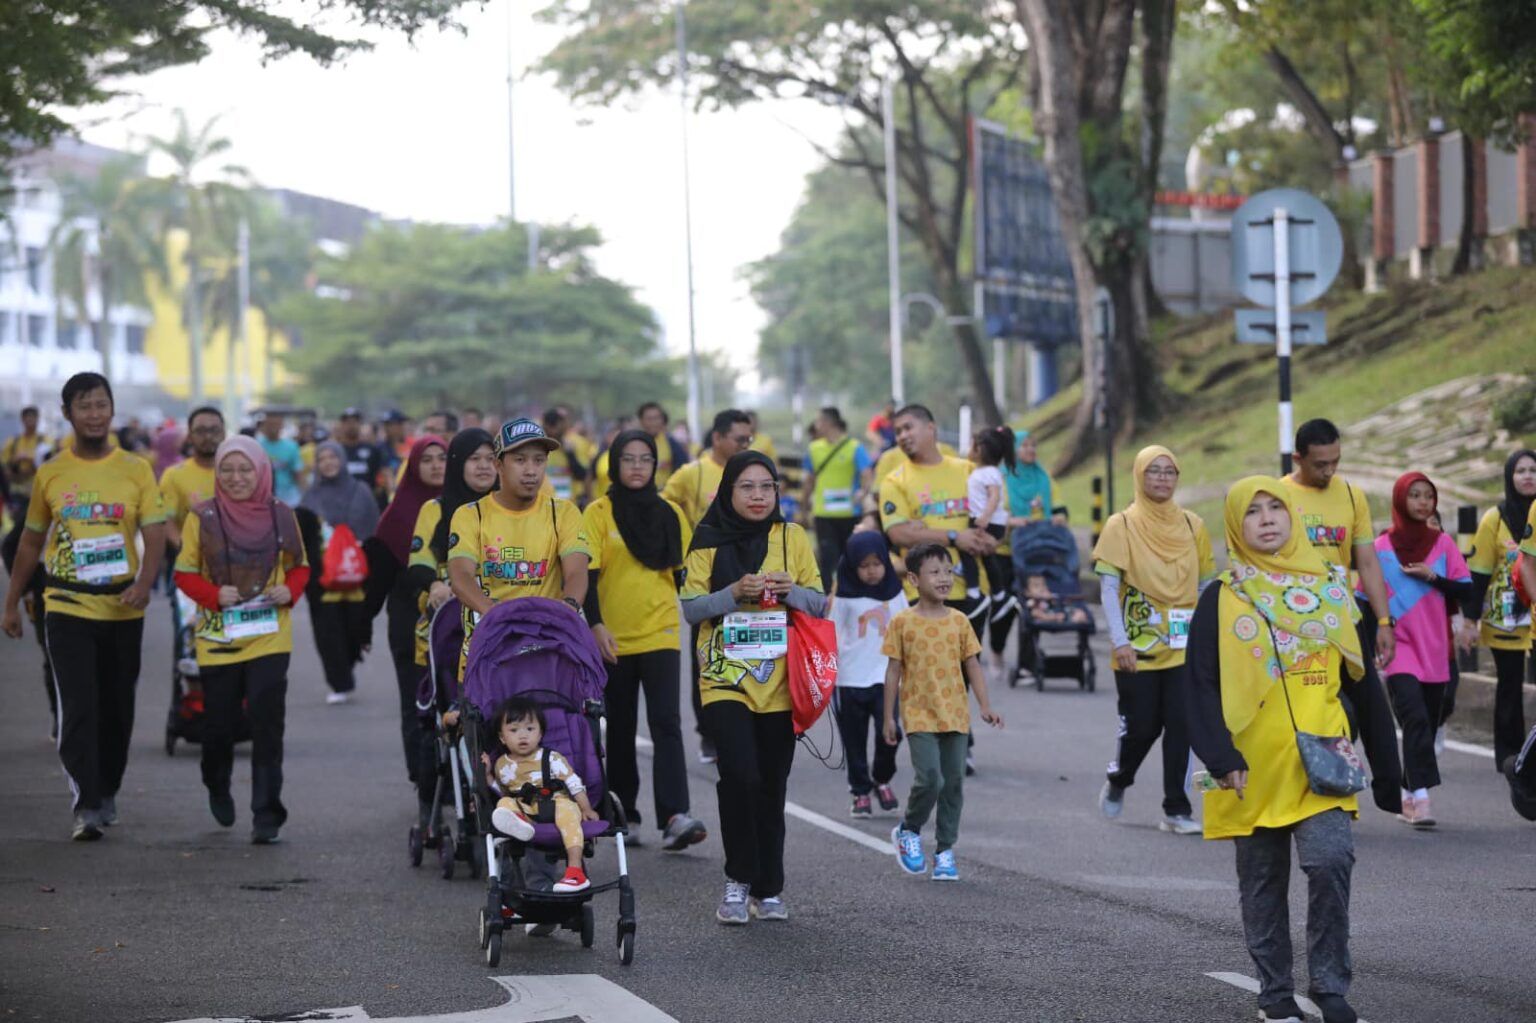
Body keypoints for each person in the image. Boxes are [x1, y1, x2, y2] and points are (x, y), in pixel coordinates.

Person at [1187, 476, 1402, 1023]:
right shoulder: (1219, 596)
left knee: (1331, 861)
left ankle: (1330, 985)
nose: (1266, 518)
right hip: (1249, 764)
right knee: (1262, 882)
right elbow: (1200, 686)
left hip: (1324, 758)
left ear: (1292, 516)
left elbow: (1362, 686)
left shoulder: (1330, 589)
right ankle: (1275, 992)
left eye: (1275, 508)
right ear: (1236, 523)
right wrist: (1222, 758)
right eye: (1252, 511)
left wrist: (1388, 770)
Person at [2, 373, 167, 840]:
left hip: (122, 605)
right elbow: (31, 541)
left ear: (112, 411)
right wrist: (12, 602)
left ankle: (107, 787)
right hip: (66, 603)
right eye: (84, 406)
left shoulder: (136, 468)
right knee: (77, 706)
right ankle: (86, 803)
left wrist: (144, 583)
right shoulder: (52, 471)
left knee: (117, 707)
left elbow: (154, 532)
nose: (94, 414)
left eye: (101, 405)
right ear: (68, 413)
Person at [680, 450, 824, 924]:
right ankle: (738, 883)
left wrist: (791, 593)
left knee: (771, 784)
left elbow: (820, 604)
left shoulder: (792, 537)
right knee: (740, 777)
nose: (759, 496)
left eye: (767, 487)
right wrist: (734, 594)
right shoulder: (706, 540)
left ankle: (770, 888)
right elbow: (693, 608)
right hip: (724, 680)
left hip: (781, 682)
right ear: (728, 490)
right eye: (747, 487)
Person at [173, 436, 307, 843]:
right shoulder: (203, 516)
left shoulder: (282, 514)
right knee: (219, 726)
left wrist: (291, 591)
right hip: (219, 638)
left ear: (262, 471)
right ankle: (216, 780)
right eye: (227, 470)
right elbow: (184, 573)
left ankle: (267, 814)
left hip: (269, 636)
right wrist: (214, 595)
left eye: (245, 469)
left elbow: (299, 566)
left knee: (267, 723)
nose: (236, 478)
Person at [583, 428, 706, 850]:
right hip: (612, 640)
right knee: (618, 727)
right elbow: (588, 577)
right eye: (629, 459)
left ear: (656, 465)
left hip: (661, 634)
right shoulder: (597, 513)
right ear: (615, 464)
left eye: (645, 460)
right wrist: (595, 625)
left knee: (667, 724)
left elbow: (688, 577)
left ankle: (675, 815)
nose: (637, 467)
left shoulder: (671, 513)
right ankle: (624, 813)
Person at [1092, 445, 1215, 834]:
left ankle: (1176, 809)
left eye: (1169, 471)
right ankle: (1119, 777)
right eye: (1153, 471)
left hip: (1184, 647)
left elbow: (1206, 583)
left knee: (1182, 725)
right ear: (1139, 476)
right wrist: (1120, 641)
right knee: (1142, 728)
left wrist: (1210, 636)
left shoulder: (1193, 525)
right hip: (1138, 648)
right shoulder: (1121, 526)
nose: (1162, 478)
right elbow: (1109, 590)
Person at [884, 543, 1004, 881]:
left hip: (955, 714)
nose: (943, 578)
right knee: (930, 779)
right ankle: (909, 829)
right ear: (913, 579)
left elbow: (973, 666)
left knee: (953, 783)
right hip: (919, 713)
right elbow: (893, 671)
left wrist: (985, 706)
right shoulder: (902, 622)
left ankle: (944, 850)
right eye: (934, 572)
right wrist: (888, 718)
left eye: (948, 571)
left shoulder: (960, 621)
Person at [1368, 472, 1470, 827]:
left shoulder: (1443, 544)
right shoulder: (1379, 549)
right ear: (1400, 500)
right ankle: (1421, 798)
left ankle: (1409, 788)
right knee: (1412, 715)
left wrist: (1433, 578)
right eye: (1414, 495)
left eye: (1428, 495)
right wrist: (1372, 640)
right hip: (1398, 647)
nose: (1423, 502)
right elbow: (1363, 597)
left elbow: (1466, 589)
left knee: (1426, 718)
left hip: (1435, 649)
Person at [447, 418, 589, 673]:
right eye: (520, 460)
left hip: (550, 655)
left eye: (539, 460)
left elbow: (577, 571)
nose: (531, 470)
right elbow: (461, 576)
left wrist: (569, 607)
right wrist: (492, 613)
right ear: (498, 464)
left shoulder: (564, 512)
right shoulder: (470, 515)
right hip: (488, 660)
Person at [664, 408, 755, 764]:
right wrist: (686, 542)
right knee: (705, 653)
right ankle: (709, 734)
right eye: (739, 439)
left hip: (747, 572)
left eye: (749, 439)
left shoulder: (752, 471)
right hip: (705, 576)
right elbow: (665, 508)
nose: (745, 445)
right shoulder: (693, 474)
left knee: (749, 649)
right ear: (717, 438)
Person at [1279, 418, 1398, 683]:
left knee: (1356, 705)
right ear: (1298, 458)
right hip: (1293, 622)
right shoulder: (1278, 497)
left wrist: (1383, 622)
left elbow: (1367, 563)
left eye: (1336, 461)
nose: (1330, 471)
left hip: (1341, 617)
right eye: (1321, 464)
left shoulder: (1351, 495)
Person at [372, 435, 446, 780]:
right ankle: (423, 774)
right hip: (407, 619)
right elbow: (378, 579)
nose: (435, 466)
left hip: (454, 619)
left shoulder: (467, 507)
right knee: (415, 699)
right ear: (413, 466)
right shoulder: (397, 514)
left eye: (441, 458)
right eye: (426, 460)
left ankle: (456, 776)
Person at [481, 696, 601, 893]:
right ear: (502, 737)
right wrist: (487, 775)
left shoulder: (551, 757)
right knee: (504, 801)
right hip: (525, 808)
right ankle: (519, 824)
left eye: (530, 729)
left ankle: (574, 870)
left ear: (540, 734)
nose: (523, 736)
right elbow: (501, 790)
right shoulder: (502, 764)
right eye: (514, 730)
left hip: (555, 802)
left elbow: (573, 783)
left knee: (569, 813)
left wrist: (586, 808)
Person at [1463, 449, 1536, 770]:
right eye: (1520, 471)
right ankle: (1508, 756)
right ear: (1510, 477)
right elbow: (1478, 573)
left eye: (1533, 470)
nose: (1528, 476)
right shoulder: (1495, 518)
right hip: (1505, 620)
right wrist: (1470, 620)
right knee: (1509, 687)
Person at [829, 531, 908, 818]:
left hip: (886, 678)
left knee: (890, 735)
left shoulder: (895, 593)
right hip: (849, 679)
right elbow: (832, 634)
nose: (872, 571)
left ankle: (882, 778)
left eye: (877, 563)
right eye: (864, 565)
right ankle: (860, 790)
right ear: (851, 566)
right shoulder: (845, 598)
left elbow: (906, 630)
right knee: (854, 739)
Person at [301, 440, 380, 703]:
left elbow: (372, 529)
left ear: (342, 460)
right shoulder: (310, 496)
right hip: (321, 576)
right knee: (327, 630)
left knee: (352, 629)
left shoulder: (361, 491)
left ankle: (347, 662)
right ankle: (339, 681)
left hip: (356, 574)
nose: (328, 463)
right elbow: (302, 535)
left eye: (332, 457)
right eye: (322, 459)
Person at [803, 407, 873, 591]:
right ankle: (828, 600)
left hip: (850, 513)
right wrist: (803, 507)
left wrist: (863, 492)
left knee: (851, 557)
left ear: (829, 423)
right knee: (828, 560)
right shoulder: (813, 448)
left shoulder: (855, 447)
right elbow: (809, 480)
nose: (816, 426)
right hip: (823, 514)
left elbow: (867, 473)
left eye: (819, 422)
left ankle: (853, 594)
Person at [962, 426, 1014, 604]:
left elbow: (994, 496)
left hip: (986, 521)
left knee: (966, 549)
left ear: (979, 450)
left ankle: (973, 590)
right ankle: (998, 592)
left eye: (971, 446)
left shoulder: (989, 473)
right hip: (984, 519)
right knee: (988, 557)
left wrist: (984, 517)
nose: (968, 450)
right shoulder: (982, 472)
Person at [161, 407, 224, 549]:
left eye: (214, 430)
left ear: (224, 433)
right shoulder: (173, 475)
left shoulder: (238, 473)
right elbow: (166, 519)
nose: (208, 436)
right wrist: (187, 553)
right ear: (189, 436)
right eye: (201, 431)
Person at [2, 405, 48, 519]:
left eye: (33, 418)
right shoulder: (12, 442)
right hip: (17, 491)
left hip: (37, 490)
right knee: (17, 522)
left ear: (38, 419)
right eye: (28, 418)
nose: (30, 422)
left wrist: (30, 459)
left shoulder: (45, 441)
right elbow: (4, 467)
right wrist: (15, 460)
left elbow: (49, 463)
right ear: (22, 420)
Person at [334, 407, 386, 506]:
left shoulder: (372, 450)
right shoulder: (334, 451)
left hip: (367, 503)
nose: (351, 425)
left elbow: (380, 478)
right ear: (342, 425)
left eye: (354, 422)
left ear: (360, 424)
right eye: (347, 422)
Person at [542, 407, 590, 505]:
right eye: (552, 424)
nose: (554, 430)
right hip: (544, 504)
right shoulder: (537, 448)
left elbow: (583, 475)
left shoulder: (577, 443)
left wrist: (570, 455)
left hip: (570, 504)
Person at [256, 411, 305, 506]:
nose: (273, 428)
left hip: (289, 498)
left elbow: (298, 474)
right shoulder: (257, 445)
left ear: (282, 425)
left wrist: (305, 496)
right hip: (264, 497)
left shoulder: (292, 447)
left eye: (276, 424)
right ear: (264, 425)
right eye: (270, 424)